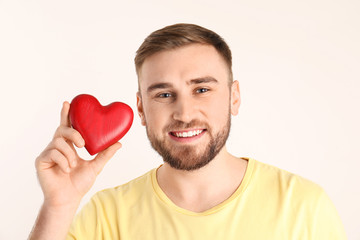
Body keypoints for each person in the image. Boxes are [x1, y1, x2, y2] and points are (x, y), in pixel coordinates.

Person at [29, 23, 347, 240]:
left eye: (202, 90)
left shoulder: (305, 207)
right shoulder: (107, 215)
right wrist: (58, 206)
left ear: (234, 97)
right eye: (164, 95)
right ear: (141, 109)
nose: (184, 113)